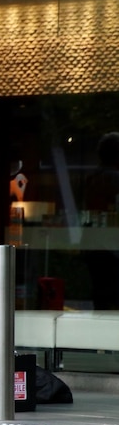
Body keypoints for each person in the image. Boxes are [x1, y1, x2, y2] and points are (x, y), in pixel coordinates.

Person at [83, 132, 119, 309]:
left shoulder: (93, 178)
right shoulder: (113, 178)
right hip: (111, 248)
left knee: (102, 295)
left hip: (94, 246)